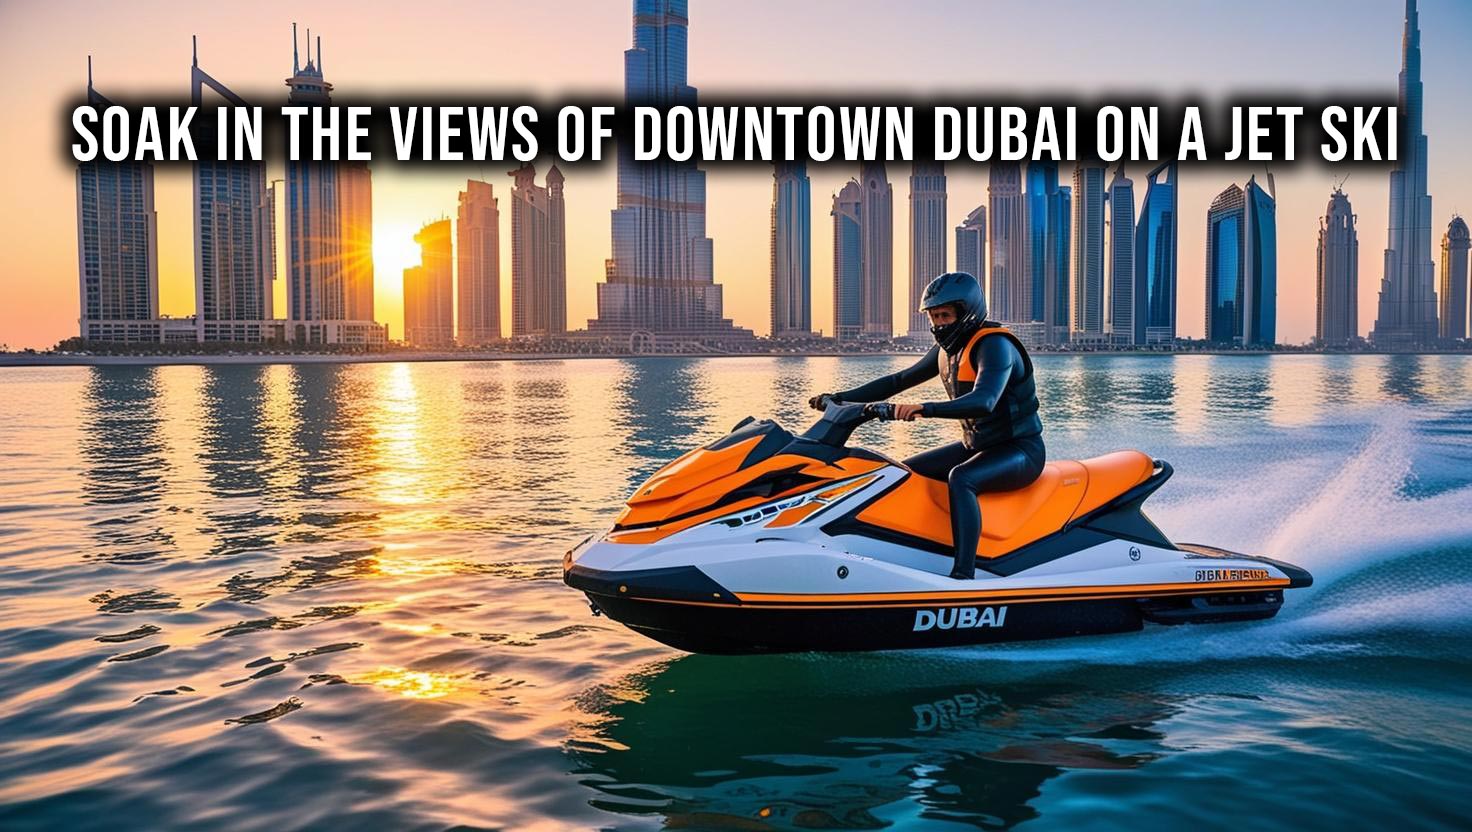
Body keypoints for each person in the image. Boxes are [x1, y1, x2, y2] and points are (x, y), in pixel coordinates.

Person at [808, 272, 1044, 580]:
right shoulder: (948, 350)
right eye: (934, 317)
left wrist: (924, 409)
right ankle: (912, 548)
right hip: (976, 446)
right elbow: (898, 380)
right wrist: (839, 399)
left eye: (946, 315)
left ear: (968, 312)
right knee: (902, 473)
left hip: (1020, 450)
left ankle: (963, 573)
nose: (940, 323)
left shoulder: (995, 345)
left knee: (962, 478)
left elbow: (984, 400)